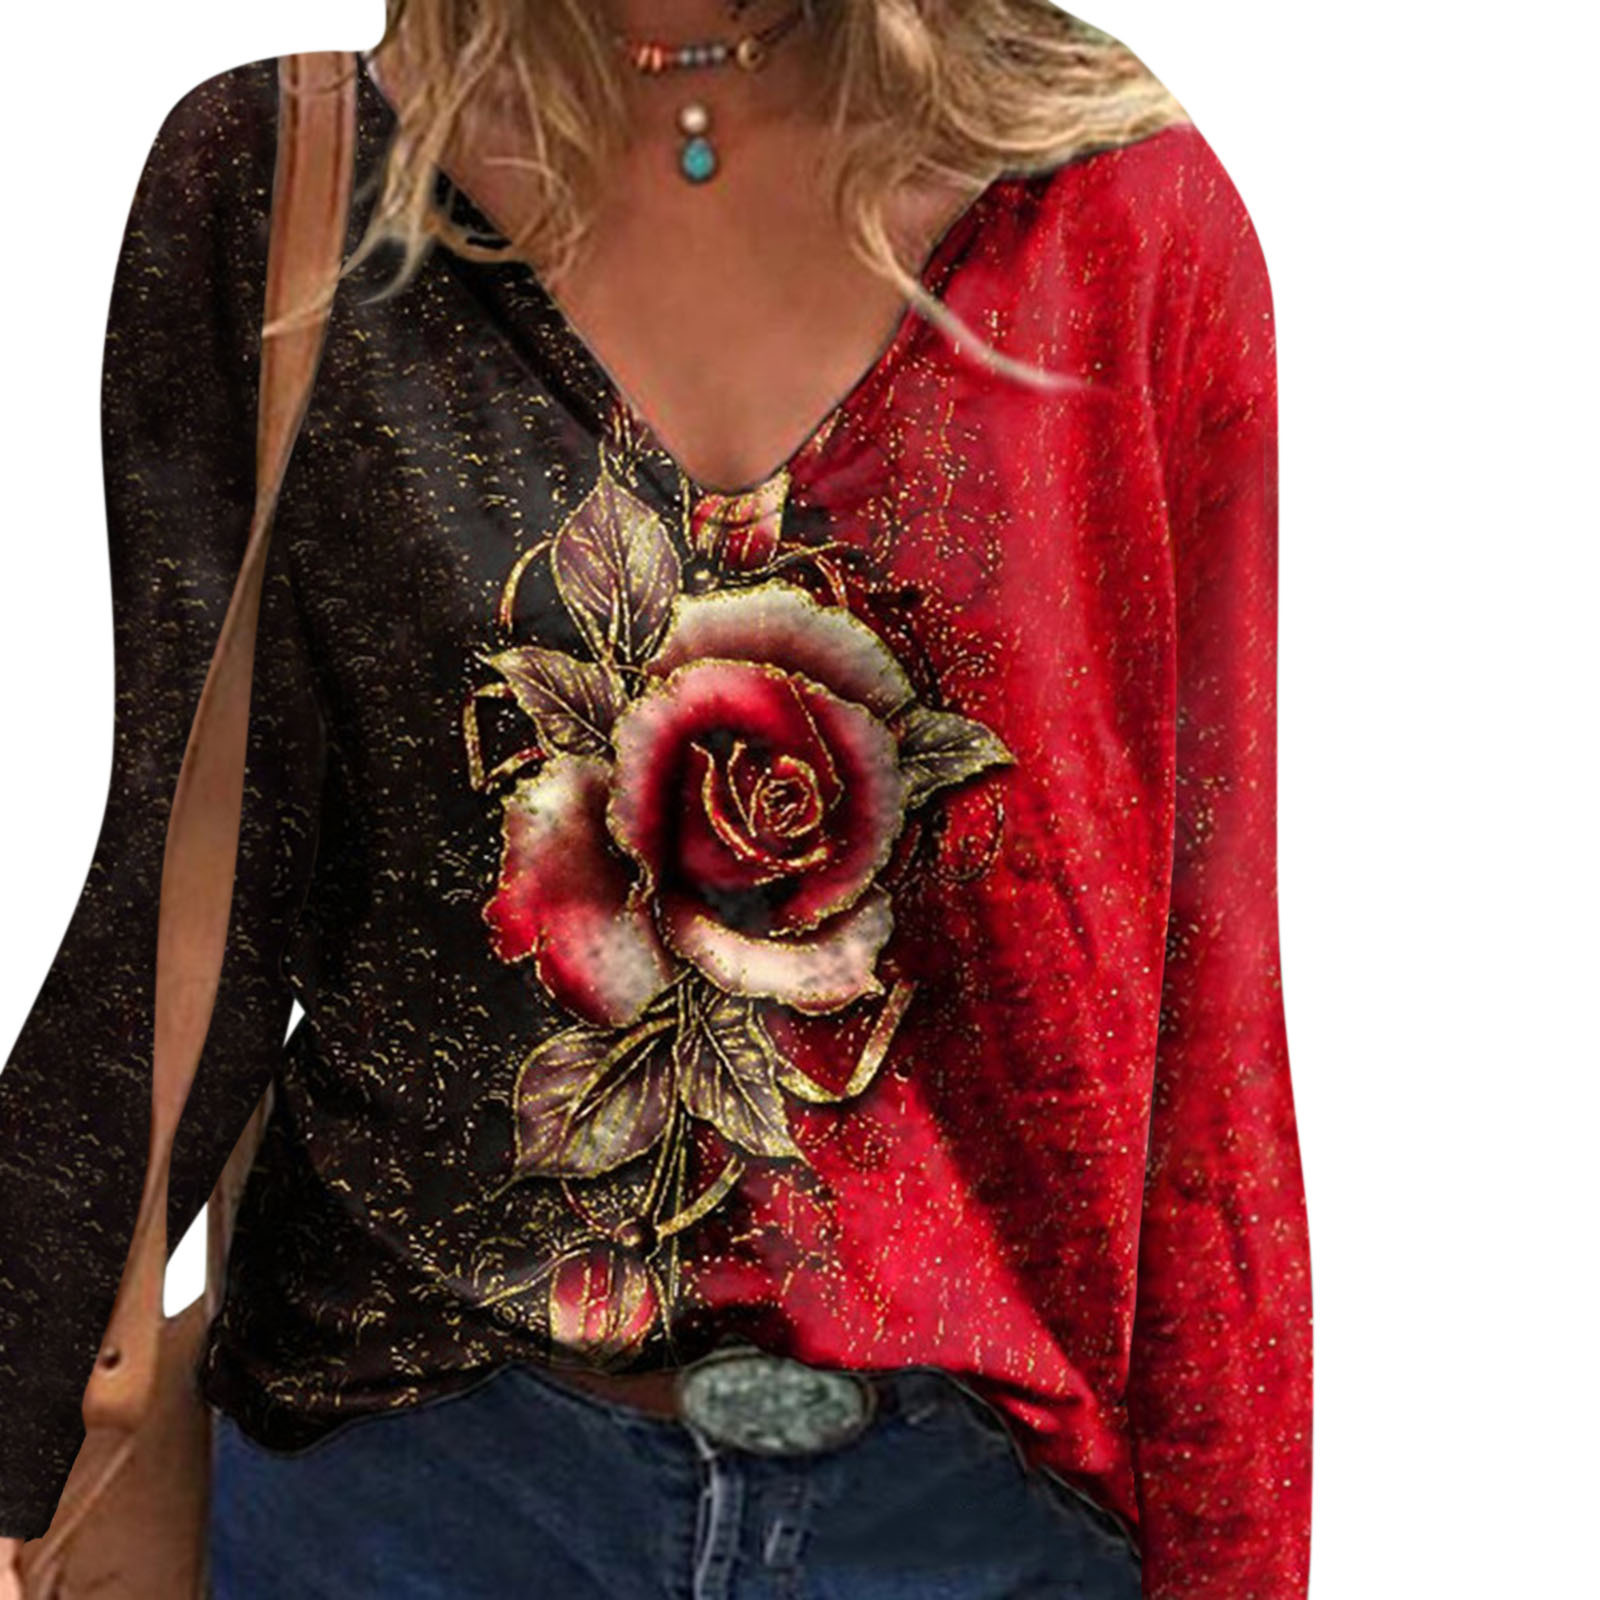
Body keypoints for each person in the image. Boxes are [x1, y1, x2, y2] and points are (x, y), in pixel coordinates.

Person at [0, 2, 1312, 1595]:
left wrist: (1239, 1561)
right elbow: (190, 896)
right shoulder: (283, 184)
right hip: (406, 1497)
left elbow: (1205, 1001)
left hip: (970, 1526)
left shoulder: (1119, 210)